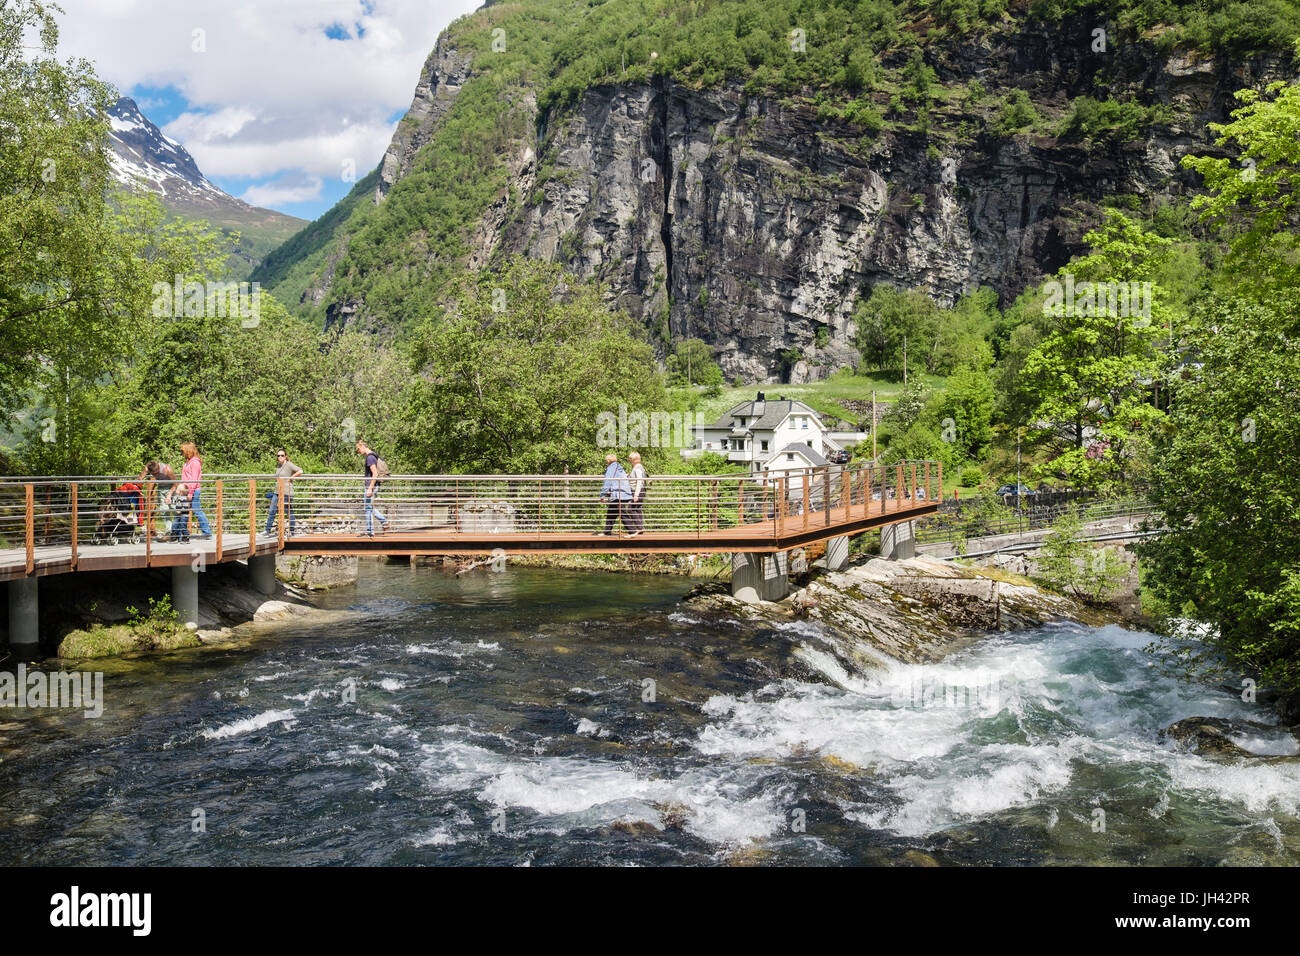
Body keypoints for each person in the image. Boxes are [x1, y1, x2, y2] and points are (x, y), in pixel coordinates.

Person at [168, 442, 211, 542]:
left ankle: (207, 532)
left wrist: (190, 493)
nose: (182, 453)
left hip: (193, 491)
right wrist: (180, 489)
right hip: (184, 491)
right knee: (179, 512)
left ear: (188, 451)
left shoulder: (195, 462)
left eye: (183, 451)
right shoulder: (188, 462)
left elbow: (194, 480)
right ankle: (176, 533)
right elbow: (184, 478)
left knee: (197, 510)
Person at [264, 449, 303, 536]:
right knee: (272, 510)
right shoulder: (278, 466)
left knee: (288, 511)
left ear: (285, 456)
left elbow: (300, 471)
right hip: (277, 492)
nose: (280, 457)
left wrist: (292, 477)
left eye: (282, 455)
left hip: (286, 492)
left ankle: (292, 531)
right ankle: (267, 530)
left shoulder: (289, 464)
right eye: (278, 456)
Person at [356, 440, 387, 536]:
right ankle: (383, 522)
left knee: (368, 507)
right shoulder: (373, 456)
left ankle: (371, 531)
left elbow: (375, 473)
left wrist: (370, 488)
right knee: (369, 507)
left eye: (358, 449)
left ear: (363, 446)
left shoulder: (370, 458)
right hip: (371, 485)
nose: (358, 451)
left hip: (371, 486)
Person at [599, 453, 632, 535]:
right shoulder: (618, 467)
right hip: (622, 493)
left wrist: (602, 495)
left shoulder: (612, 467)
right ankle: (607, 532)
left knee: (622, 513)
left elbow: (608, 481)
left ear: (608, 461)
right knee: (611, 512)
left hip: (618, 494)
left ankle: (633, 531)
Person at [626, 451, 647, 536]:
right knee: (637, 509)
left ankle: (640, 527)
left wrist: (636, 495)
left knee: (630, 509)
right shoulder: (639, 467)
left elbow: (639, 481)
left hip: (638, 491)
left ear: (634, 460)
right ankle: (640, 528)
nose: (630, 461)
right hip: (641, 491)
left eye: (630, 459)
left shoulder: (637, 468)